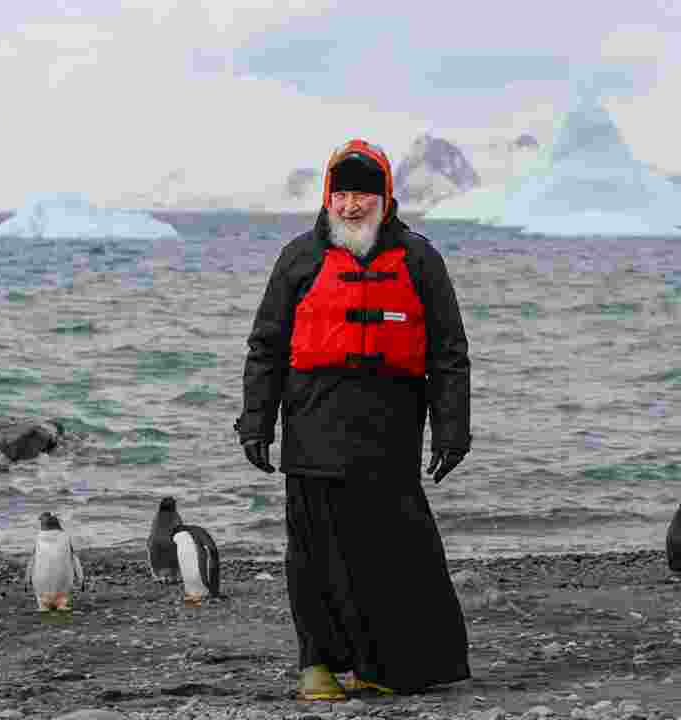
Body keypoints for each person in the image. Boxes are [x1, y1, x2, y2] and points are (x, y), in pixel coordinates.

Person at [235, 138, 472, 700]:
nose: (350, 206)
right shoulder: (299, 257)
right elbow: (265, 347)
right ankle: (316, 666)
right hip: (313, 429)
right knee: (314, 554)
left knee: (392, 555)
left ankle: (379, 665)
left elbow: (448, 352)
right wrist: (255, 422)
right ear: (327, 196)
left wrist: (452, 428)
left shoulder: (419, 260)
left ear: (385, 198)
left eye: (362, 195)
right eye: (340, 194)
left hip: (389, 434)